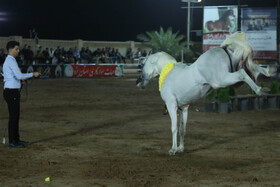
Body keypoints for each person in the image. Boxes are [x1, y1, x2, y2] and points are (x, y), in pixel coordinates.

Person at [2, 41, 41, 148]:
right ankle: (13, 141)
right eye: (16, 49)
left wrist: (20, 80)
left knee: (15, 116)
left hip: (11, 91)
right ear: (10, 50)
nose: (18, 51)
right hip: (12, 92)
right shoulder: (11, 61)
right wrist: (32, 74)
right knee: (14, 117)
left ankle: (16, 140)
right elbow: (19, 75)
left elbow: (14, 76)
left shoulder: (10, 61)